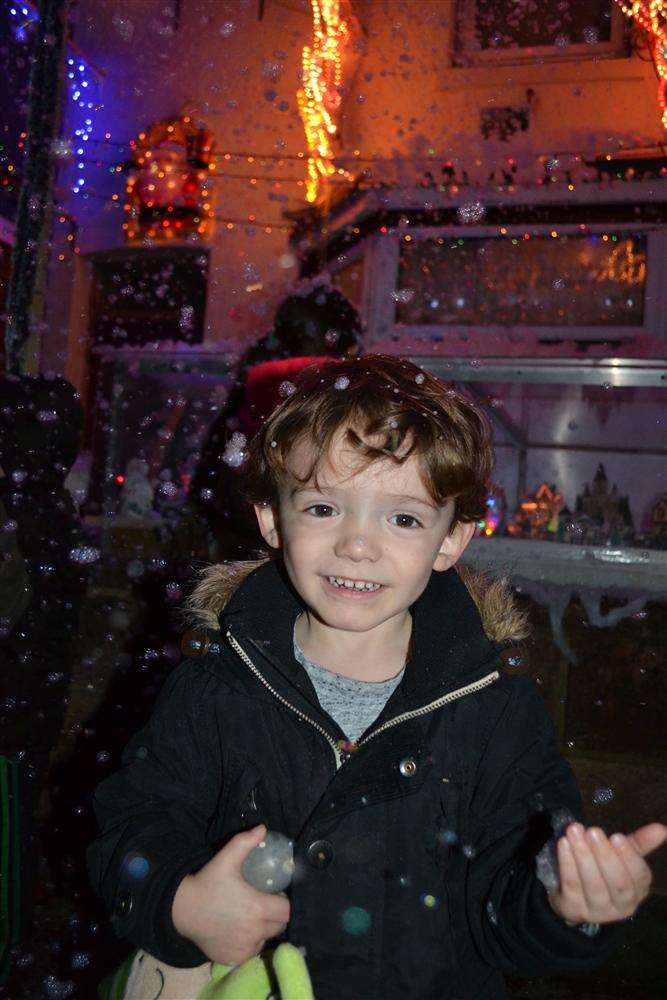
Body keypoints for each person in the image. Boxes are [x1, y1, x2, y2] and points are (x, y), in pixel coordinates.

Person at [88, 355, 665, 999]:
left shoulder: (497, 713)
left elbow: (509, 922)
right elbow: (131, 829)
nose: (358, 546)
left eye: (404, 518)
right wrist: (177, 900)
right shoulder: (216, 687)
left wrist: (571, 905)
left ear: (452, 540)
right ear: (273, 519)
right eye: (325, 509)